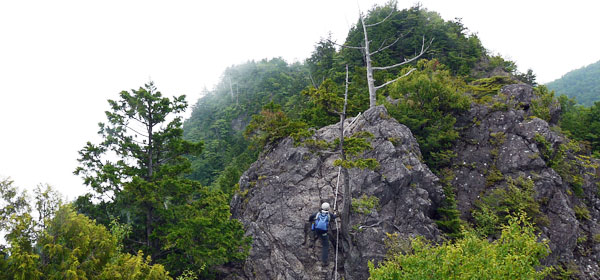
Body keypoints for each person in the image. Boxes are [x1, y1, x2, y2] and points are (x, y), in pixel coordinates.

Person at [308, 202, 338, 266]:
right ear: (328, 208)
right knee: (325, 245)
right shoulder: (329, 215)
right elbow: (335, 216)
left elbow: (310, 218)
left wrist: (312, 220)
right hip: (324, 232)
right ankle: (324, 261)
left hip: (316, 230)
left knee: (314, 228)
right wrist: (335, 212)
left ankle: (312, 240)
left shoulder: (318, 213)